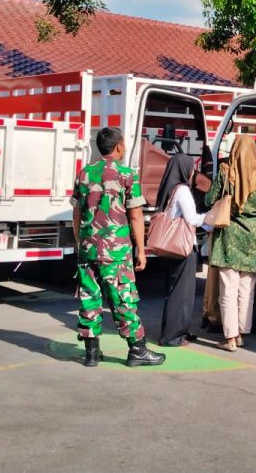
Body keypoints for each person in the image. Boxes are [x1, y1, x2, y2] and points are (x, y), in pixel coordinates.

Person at [72, 127, 165, 368]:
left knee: (89, 298)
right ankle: (137, 349)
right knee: (123, 298)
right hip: (116, 252)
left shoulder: (84, 174)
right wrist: (141, 250)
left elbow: (77, 213)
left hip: (88, 249)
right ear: (119, 147)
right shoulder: (126, 175)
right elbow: (135, 216)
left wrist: (81, 243)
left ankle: (91, 353)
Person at [205, 135, 256, 352]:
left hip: (229, 235)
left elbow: (209, 200)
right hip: (253, 237)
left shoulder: (226, 172)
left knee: (228, 290)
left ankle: (230, 338)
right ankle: (242, 333)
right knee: (247, 289)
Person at [154, 153, 210, 346]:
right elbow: (193, 219)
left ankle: (175, 331)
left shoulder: (168, 188)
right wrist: (212, 217)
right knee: (182, 293)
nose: (193, 172)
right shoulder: (183, 190)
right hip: (184, 248)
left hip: (170, 247)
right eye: (192, 168)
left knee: (173, 290)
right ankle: (173, 336)